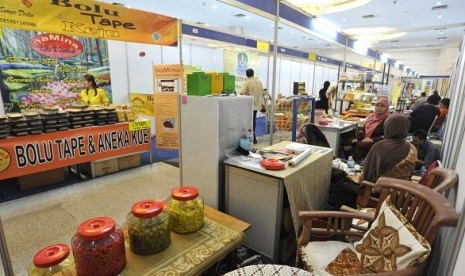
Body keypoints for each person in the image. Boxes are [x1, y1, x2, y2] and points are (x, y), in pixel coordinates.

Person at [358, 114, 417, 183]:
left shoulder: (379, 146)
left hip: (380, 190)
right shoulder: (412, 148)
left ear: (387, 127)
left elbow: (367, 175)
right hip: (403, 189)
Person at [351, 98, 390, 163]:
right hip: (365, 139)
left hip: (378, 142)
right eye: (377, 105)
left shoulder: (387, 120)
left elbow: (387, 135)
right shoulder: (371, 116)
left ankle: (362, 164)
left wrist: (372, 140)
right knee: (352, 142)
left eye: (382, 106)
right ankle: (356, 162)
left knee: (361, 145)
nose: (379, 108)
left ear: (386, 108)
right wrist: (357, 138)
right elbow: (363, 130)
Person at [240, 68, 264, 144]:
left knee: (249, 122)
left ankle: (251, 138)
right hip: (257, 105)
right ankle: (253, 138)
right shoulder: (259, 82)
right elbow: (262, 93)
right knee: (253, 121)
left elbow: (241, 92)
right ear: (253, 73)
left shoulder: (247, 82)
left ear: (246, 75)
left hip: (249, 105)